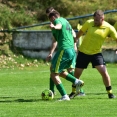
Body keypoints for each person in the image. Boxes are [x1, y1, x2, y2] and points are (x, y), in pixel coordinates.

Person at [72, 10, 117, 99]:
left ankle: (110, 93)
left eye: (97, 20)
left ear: (102, 18)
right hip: (83, 52)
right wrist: (75, 40)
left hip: (96, 54)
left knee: (104, 72)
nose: (95, 22)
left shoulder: (109, 27)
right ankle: (73, 92)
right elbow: (81, 32)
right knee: (77, 74)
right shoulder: (89, 23)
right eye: (94, 20)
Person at [47, 11, 84, 101]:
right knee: (54, 68)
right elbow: (69, 34)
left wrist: (54, 26)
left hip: (65, 49)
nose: (51, 22)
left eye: (51, 20)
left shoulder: (57, 21)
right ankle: (76, 81)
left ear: (53, 17)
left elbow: (58, 26)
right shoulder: (66, 21)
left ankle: (64, 96)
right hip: (70, 50)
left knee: (54, 74)